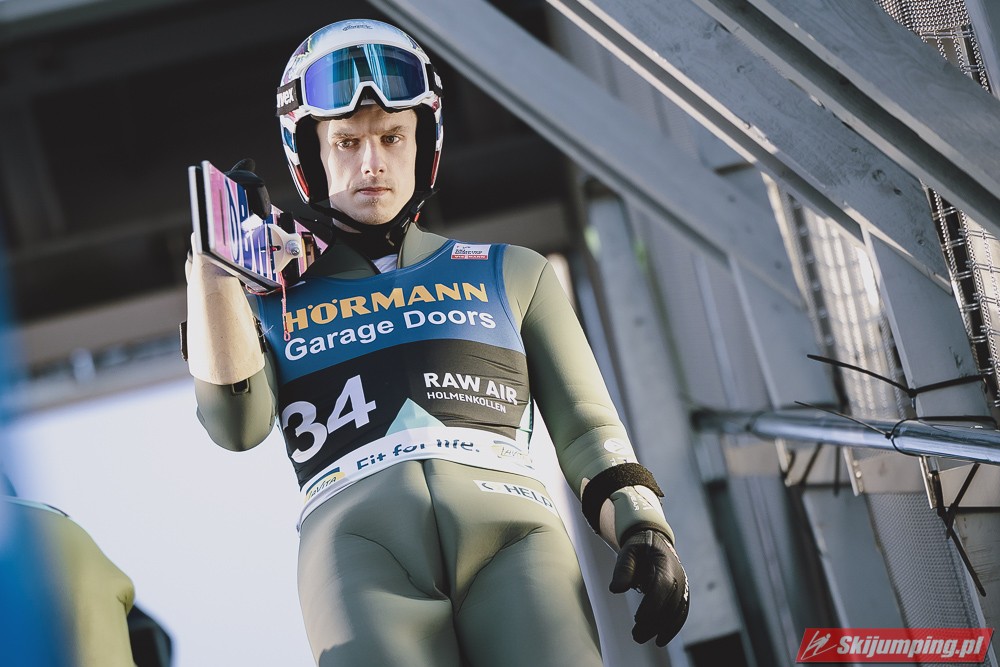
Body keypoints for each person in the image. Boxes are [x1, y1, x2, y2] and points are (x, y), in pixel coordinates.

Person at [185, 18, 688, 666]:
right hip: (358, 550)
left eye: (393, 136)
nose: (372, 162)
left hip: (516, 533)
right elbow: (236, 426)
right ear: (309, 156)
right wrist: (213, 271)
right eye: (346, 142)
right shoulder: (267, 304)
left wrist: (646, 526)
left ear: (425, 143)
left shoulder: (512, 271)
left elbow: (588, 428)